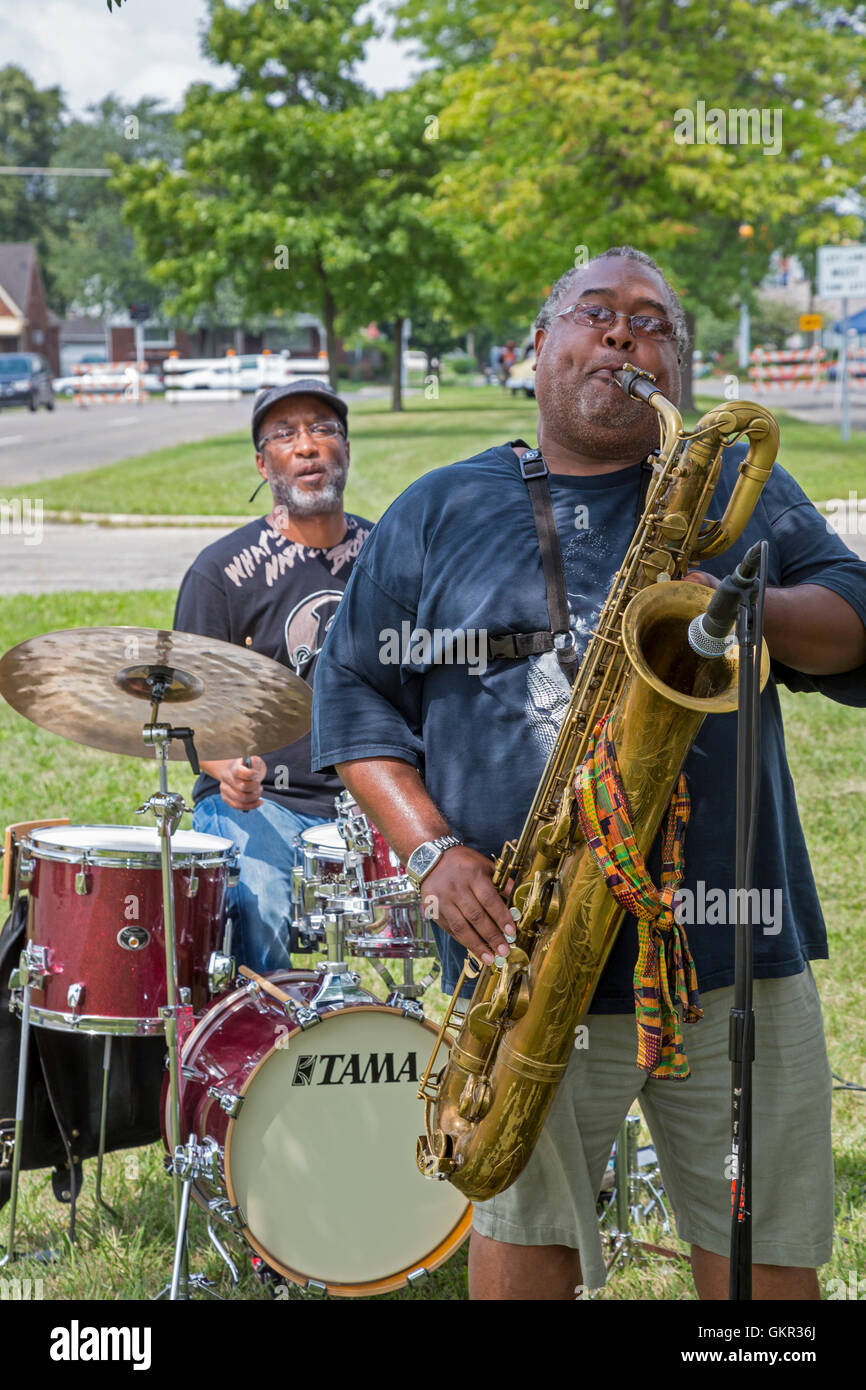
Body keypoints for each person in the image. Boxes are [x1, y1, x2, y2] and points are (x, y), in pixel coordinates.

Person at [310, 246, 866, 1301]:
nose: (624, 335)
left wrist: (739, 603)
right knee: (525, 1240)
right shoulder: (435, 509)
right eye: (596, 313)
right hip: (526, 942)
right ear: (539, 346)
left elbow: (852, 618)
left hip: (731, 945)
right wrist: (429, 851)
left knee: (763, 1249)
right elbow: (354, 699)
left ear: (678, 365)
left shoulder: (732, 494)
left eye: (654, 322)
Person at [174, 378, 372, 973]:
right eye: (285, 435)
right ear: (264, 463)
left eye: (323, 429)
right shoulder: (222, 573)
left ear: (344, 448)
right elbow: (188, 709)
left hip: (371, 802)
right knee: (256, 907)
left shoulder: (386, 556)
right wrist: (225, 769)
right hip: (264, 803)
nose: (307, 446)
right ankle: (261, 1050)